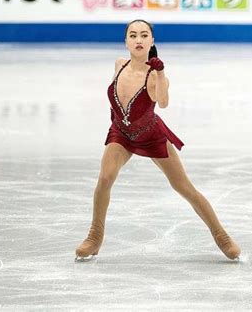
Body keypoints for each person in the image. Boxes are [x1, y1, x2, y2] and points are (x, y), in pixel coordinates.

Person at [75, 19, 241, 262]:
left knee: (184, 187)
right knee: (105, 177)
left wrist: (161, 73)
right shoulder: (119, 65)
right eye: (133, 35)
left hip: (150, 135)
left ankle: (222, 236)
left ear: (152, 41)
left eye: (144, 35)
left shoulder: (154, 76)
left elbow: (162, 102)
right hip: (121, 132)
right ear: (126, 41)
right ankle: (95, 236)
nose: (138, 40)